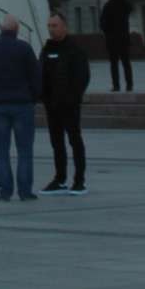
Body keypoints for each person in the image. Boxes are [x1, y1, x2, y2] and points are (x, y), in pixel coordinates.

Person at [0, 15, 40, 202]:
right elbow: (36, 77)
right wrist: (33, 98)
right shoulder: (25, 49)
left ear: (0, 28)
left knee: (2, 152)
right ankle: (25, 191)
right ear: (17, 30)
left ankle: (5, 191)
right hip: (23, 105)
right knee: (25, 151)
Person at [39, 13, 91, 193]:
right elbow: (42, 74)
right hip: (51, 106)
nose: (51, 29)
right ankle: (59, 179)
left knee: (74, 141)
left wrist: (72, 98)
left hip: (69, 106)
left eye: (54, 26)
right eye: (49, 26)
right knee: (56, 142)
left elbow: (82, 77)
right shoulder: (47, 49)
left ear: (64, 27)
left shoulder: (74, 49)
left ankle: (79, 181)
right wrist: (43, 97)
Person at [100, 0, 133, 92]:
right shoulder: (126, 4)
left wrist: (107, 32)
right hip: (124, 37)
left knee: (114, 63)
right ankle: (129, 85)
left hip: (112, 38)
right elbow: (130, 9)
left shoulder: (109, 5)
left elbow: (102, 22)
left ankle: (116, 85)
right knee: (126, 62)